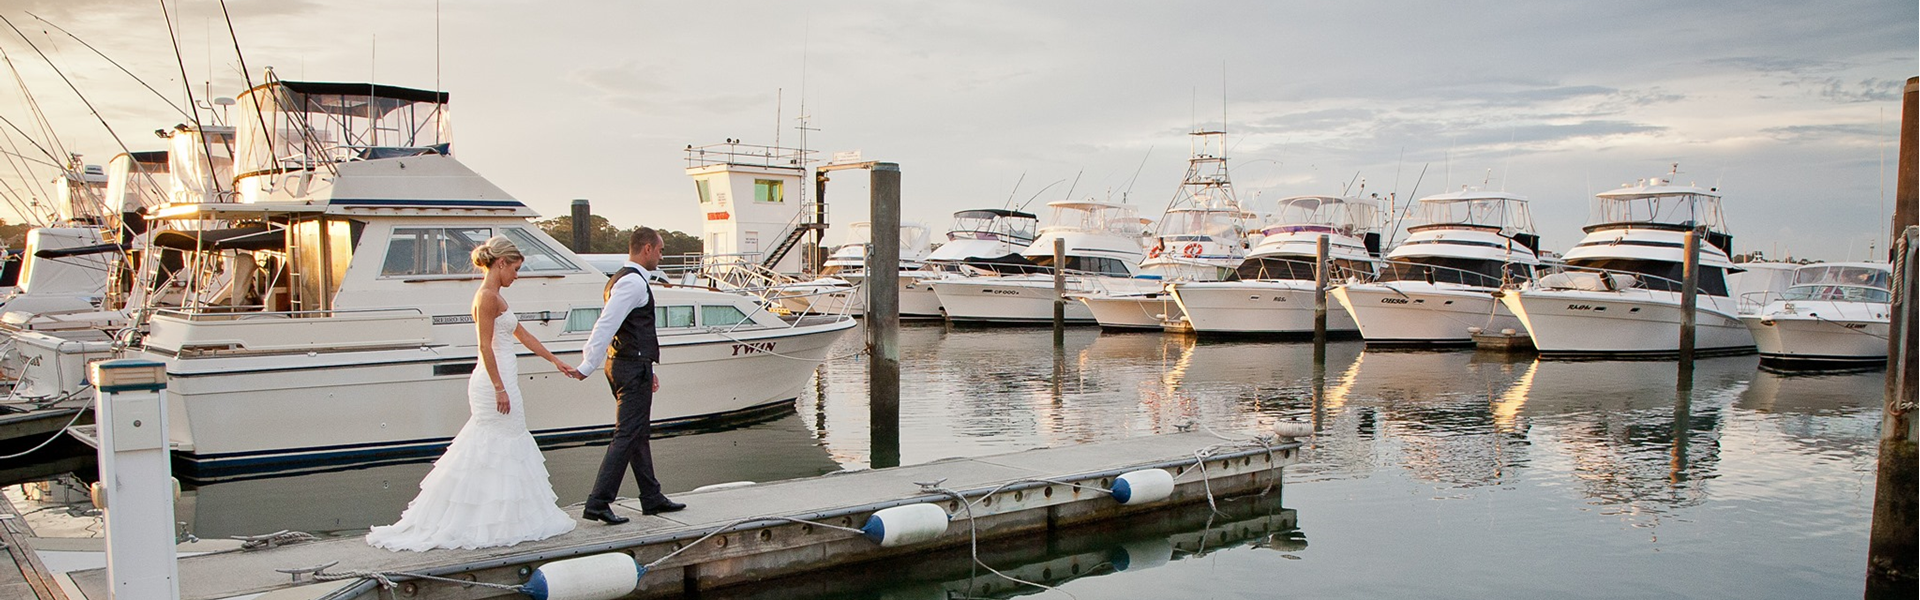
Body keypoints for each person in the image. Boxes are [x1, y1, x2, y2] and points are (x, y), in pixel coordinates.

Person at [366, 236, 579, 551]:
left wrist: (555, 360)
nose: (517, 276)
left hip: (504, 379)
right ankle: (489, 519)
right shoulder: (486, 298)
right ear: (501, 263)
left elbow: (524, 334)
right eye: (516, 269)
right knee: (496, 445)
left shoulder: (498, 297)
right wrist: (499, 388)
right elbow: (484, 346)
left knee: (499, 447)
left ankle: (502, 516)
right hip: (494, 382)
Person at [572, 227, 684, 524]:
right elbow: (605, 325)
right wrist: (587, 363)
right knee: (626, 435)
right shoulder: (633, 283)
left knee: (637, 433)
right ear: (647, 249)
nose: (661, 256)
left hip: (632, 365)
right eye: (660, 250)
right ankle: (598, 502)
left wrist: (649, 368)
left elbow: (630, 330)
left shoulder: (619, 280)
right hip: (629, 367)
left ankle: (651, 497)